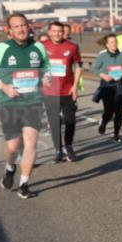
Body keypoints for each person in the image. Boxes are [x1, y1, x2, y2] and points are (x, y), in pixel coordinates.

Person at [0, 13, 51, 199]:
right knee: (13, 146)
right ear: (9, 30)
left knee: (31, 142)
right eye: (17, 26)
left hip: (33, 101)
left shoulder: (38, 47)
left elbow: (46, 67)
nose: (21, 29)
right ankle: (9, 167)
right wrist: (3, 86)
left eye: (24, 25)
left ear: (29, 27)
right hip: (9, 102)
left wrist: (46, 76)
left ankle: (24, 184)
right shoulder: (2, 48)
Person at [41, 20, 83, 162]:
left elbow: (78, 66)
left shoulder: (72, 46)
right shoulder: (42, 46)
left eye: (60, 31)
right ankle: (58, 150)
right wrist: (41, 78)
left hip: (67, 90)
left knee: (70, 120)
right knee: (54, 122)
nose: (57, 33)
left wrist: (75, 86)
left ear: (63, 32)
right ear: (49, 32)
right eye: (54, 31)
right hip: (49, 91)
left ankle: (69, 146)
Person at [92, 33, 122, 142]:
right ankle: (104, 122)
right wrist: (103, 75)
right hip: (107, 86)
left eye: (115, 41)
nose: (114, 44)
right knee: (109, 111)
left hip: (119, 86)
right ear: (107, 44)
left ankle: (116, 134)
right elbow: (94, 69)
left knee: (119, 111)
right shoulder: (102, 55)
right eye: (111, 42)